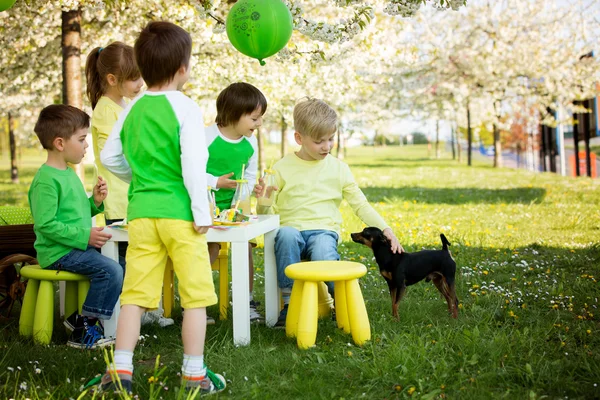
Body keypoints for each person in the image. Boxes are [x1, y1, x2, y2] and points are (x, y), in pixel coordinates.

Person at [100, 21, 225, 395]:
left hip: (141, 214)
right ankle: (194, 373)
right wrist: (203, 213)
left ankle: (120, 371)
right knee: (196, 297)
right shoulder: (185, 108)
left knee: (136, 295)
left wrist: (139, 176)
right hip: (180, 215)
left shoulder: (131, 109)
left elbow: (110, 156)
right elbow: (192, 164)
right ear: (182, 68)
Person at [255, 98, 403, 327]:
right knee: (284, 235)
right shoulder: (282, 167)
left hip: (323, 230)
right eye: (318, 141)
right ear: (299, 138)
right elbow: (265, 210)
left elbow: (360, 205)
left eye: (330, 139)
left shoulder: (339, 169)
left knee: (324, 252)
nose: (326, 146)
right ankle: (291, 302)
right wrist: (264, 197)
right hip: (291, 229)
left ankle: (341, 300)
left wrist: (386, 229)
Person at [85, 41, 173, 328]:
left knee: (144, 255)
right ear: (113, 80)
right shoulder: (106, 110)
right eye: (135, 78)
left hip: (135, 194)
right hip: (119, 198)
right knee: (125, 259)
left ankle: (145, 310)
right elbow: (120, 151)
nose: (141, 84)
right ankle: (125, 315)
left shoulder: (124, 104)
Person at [28, 104, 123, 349]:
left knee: (121, 262)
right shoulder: (46, 181)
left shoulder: (68, 173)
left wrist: (96, 202)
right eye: (82, 139)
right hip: (58, 252)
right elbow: (47, 225)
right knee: (110, 271)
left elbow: (74, 215)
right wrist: (86, 237)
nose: (86, 145)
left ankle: (78, 319)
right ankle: (85, 329)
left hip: (74, 246)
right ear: (60, 143)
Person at [206, 82, 267, 323]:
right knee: (209, 249)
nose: (259, 124)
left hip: (236, 210)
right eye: (254, 118)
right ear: (234, 114)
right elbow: (187, 173)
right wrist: (214, 182)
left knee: (245, 249)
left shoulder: (249, 143)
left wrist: (252, 189)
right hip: (205, 208)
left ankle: (247, 300)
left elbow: (249, 176)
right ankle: (197, 302)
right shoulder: (205, 137)